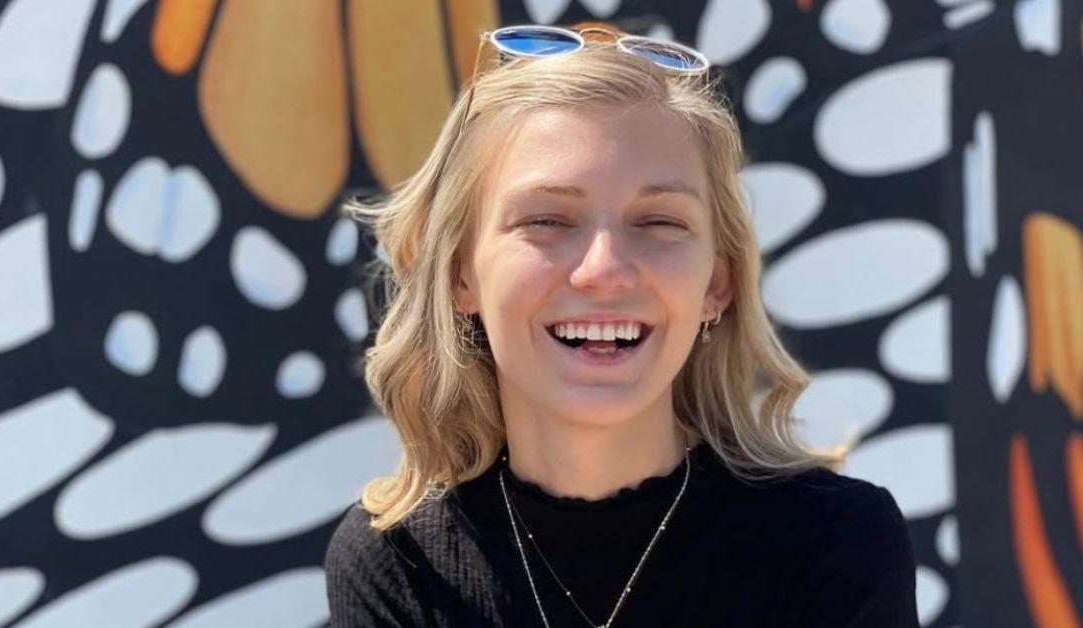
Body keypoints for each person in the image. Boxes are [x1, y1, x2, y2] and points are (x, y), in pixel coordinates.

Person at [324, 23, 918, 627]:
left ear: (717, 283)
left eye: (659, 222)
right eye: (548, 220)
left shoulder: (836, 543)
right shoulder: (397, 562)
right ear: (460, 274)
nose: (604, 269)